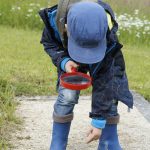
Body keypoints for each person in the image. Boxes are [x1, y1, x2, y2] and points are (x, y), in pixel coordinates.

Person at [39, 1, 133, 150]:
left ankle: (108, 141)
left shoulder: (105, 30)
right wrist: (63, 61)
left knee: (113, 89)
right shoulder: (54, 21)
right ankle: (58, 142)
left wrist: (98, 121)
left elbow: (105, 82)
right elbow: (49, 44)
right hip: (70, 55)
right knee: (67, 95)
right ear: (66, 28)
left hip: (102, 53)